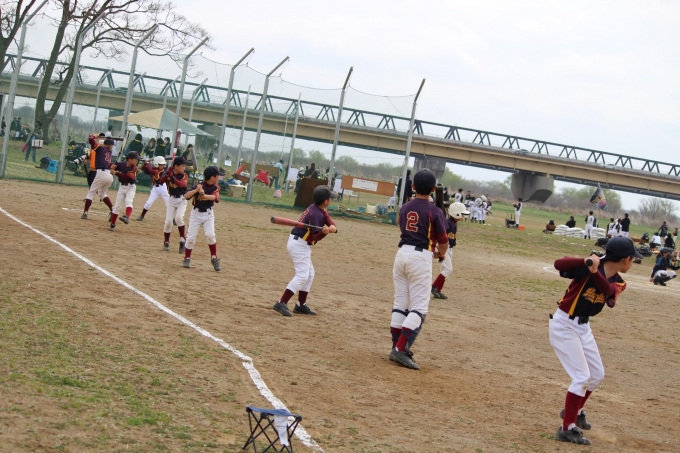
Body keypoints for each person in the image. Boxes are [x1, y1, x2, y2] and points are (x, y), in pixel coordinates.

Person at [550, 237, 640, 446]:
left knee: (597, 375)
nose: (633, 262)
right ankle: (567, 428)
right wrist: (584, 261)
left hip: (583, 327)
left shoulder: (618, 281)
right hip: (564, 325)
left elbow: (607, 291)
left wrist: (594, 272)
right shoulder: (588, 266)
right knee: (582, 377)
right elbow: (558, 264)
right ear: (625, 259)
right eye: (632, 259)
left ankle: (574, 411)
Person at [389, 169, 448, 370]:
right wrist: (441, 253)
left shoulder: (405, 206)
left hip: (402, 253)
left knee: (401, 302)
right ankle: (399, 349)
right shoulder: (435, 211)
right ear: (432, 189)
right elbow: (443, 241)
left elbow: (403, 227)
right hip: (420, 257)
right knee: (419, 307)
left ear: (413, 186)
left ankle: (396, 346)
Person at [273, 186, 337, 317]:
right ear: (325, 201)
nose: (331, 199)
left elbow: (326, 216)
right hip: (299, 245)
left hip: (300, 243)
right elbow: (315, 237)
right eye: (330, 198)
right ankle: (281, 302)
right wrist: (324, 233)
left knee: (310, 274)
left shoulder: (318, 208)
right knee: (302, 275)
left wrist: (331, 225)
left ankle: (301, 305)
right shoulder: (316, 214)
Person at [182, 166, 222, 271]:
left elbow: (215, 197)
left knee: (210, 235)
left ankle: (214, 257)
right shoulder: (198, 186)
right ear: (212, 177)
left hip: (208, 214)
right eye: (217, 176)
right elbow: (186, 196)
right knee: (191, 237)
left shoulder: (215, 187)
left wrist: (204, 195)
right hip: (196, 214)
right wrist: (196, 190)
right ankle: (187, 258)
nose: (218, 178)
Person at [431, 201, 469, 300]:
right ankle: (434, 287)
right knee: (448, 269)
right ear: (456, 213)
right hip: (445, 247)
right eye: (462, 214)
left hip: (450, 248)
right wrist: (439, 248)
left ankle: (438, 290)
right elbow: (440, 235)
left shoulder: (454, 223)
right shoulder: (448, 223)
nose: (463, 216)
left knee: (444, 269)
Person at [158, 156, 189, 253]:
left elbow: (182, 185)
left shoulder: (184, 175)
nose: (184, 168)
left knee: (179, 218)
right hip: (171, 199)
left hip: (182, 199)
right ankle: (166, 242)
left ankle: (182, 240)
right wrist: (166, 174)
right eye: (182, 166)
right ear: (176, 166)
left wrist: (172, 178)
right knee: (168, 222)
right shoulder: (169, 172)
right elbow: (160, 182)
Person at [81, 135, 114, 220]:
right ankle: (113, 210)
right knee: (101, 193)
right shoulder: (109, 151)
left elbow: (90, 140)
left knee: (91, 193)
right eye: (112, 145)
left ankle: (85, 212)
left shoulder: (100, 149)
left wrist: (94, 136)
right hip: (109, 175)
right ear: (110, 145)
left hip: (101, 173)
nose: (112, 147)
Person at [108, 151, 139, 232]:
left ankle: (126, 217)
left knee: (129, 201)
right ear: (129, 159)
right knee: (117, 206)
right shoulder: (122, 164)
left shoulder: (135, 168)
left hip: (131, 187)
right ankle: (112, 224)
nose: (137, 161)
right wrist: (112, 166)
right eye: (135, 159)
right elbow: (109, 165)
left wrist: (115, 172)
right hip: (122, 187)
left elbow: (126, 177)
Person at [137, 156, 169, 221]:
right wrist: (145, 163)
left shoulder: (162, 171)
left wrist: (147, 162)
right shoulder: (153, 169)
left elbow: (152, 171)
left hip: (163, 188)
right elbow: (143, 168)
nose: (162, 166)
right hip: (155, 189)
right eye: (161, 165)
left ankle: (172, 218)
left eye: (163, 165)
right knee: (148, 203)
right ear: (156, 164)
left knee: (168, 204)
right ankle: (142, 216)